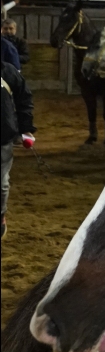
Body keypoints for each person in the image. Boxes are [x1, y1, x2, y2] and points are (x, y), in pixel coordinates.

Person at [2, 60, 35, 239]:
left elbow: (24, 99)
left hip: (2, 136)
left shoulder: (8, 71)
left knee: (1, 184)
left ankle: (0, 216)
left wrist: (26, 128)